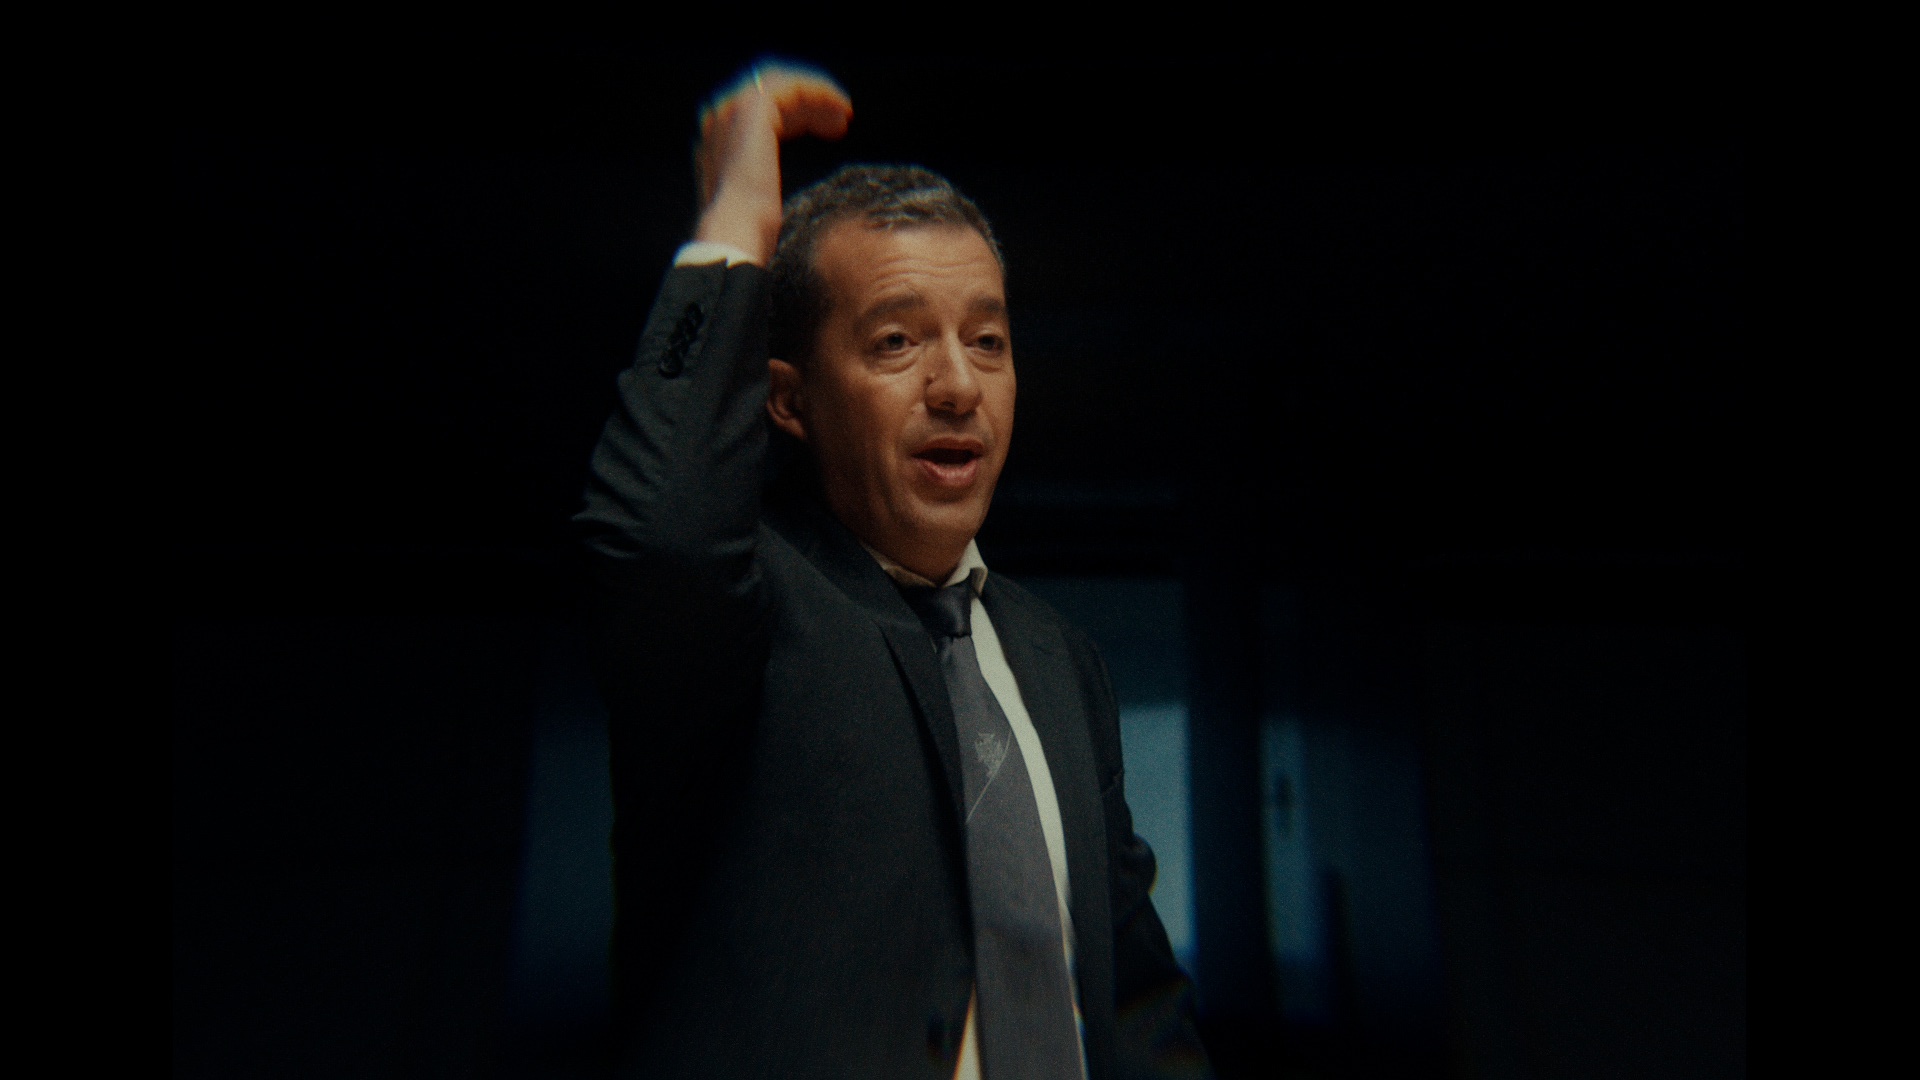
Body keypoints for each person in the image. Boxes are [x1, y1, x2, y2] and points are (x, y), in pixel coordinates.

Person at [575, 63, 1210, 1079]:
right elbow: (656, 535)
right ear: (788, 400)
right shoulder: (747, 614)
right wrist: (735, 221)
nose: (957, 384)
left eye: (988, 340)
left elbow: (1131, 993)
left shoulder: (1061, 661)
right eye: (897, 340)